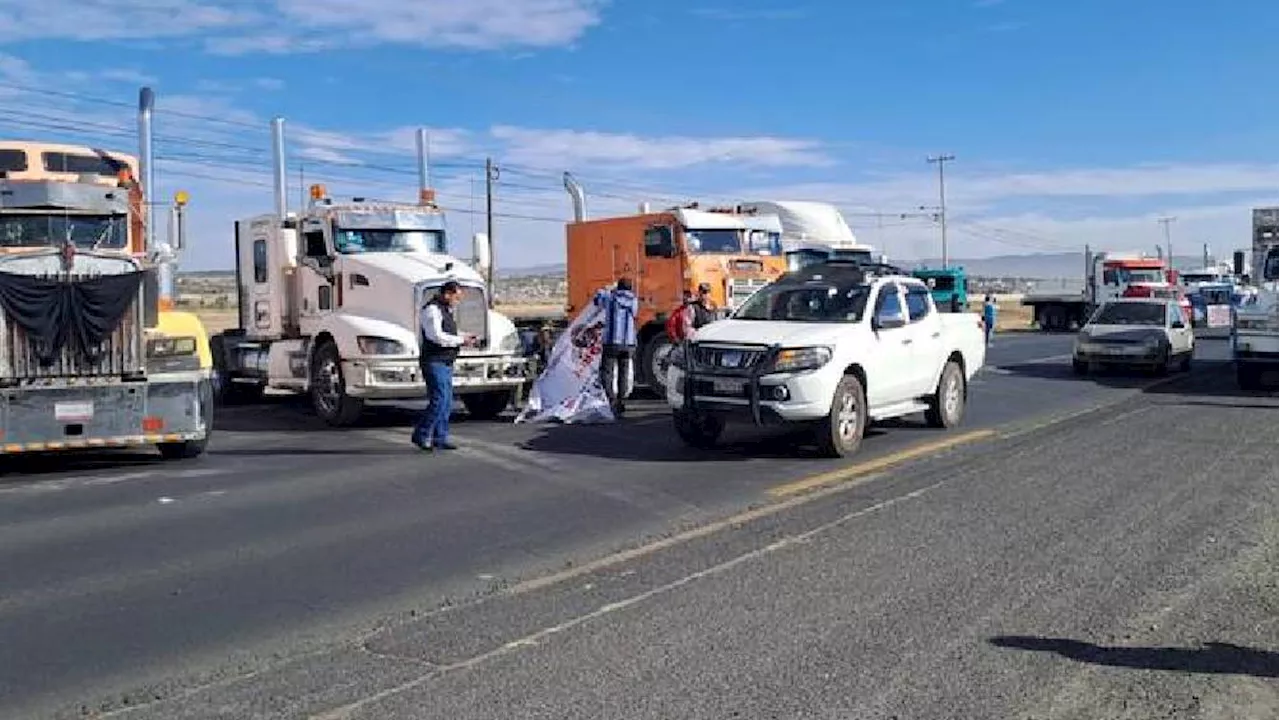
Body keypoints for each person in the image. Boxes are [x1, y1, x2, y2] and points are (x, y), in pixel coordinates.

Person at [412, 280, 476, 451]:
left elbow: (449, 333)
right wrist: (460, 340)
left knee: (446, 401)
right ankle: (422, 434)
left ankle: (440, 437)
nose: (457, 301)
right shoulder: (432, 310)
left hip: (445, 361)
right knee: (438, 400)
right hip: (434, 361)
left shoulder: (445, 310)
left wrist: (465, 337)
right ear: (447, 294)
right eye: (456, 297)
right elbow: (436, 336)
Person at [593, 277, 638, 417]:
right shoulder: (633, 301)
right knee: (623, 373)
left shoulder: (610, 298)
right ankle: (621, 401)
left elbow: (596, 300)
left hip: (612, 342)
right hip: (628, 342)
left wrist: (607, 289)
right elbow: (635, 313)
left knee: (607, 372)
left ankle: (611, 400)